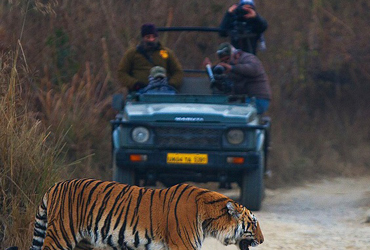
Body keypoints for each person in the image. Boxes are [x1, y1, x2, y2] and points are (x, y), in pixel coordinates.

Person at [204, 42, 271, 114]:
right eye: (223, 61)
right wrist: (210, 70)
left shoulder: (248, 58)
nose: (226, 63)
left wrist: (232, 68)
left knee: (232, 113)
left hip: (257, 99)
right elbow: (222, 85)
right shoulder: (230, 68)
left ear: (235, 55)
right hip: (243, 99)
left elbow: (253, 69)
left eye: (227, 59)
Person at [117, 23, 183, 92]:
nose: (151, 40)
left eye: (153, 37)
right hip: (139, 92)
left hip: (164, 91)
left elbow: (178, 72)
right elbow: (122, 73)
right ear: (143, 38)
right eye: (148, 37)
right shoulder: (132, 54)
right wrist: (135, 84)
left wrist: (171, 84)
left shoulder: (166, 53)